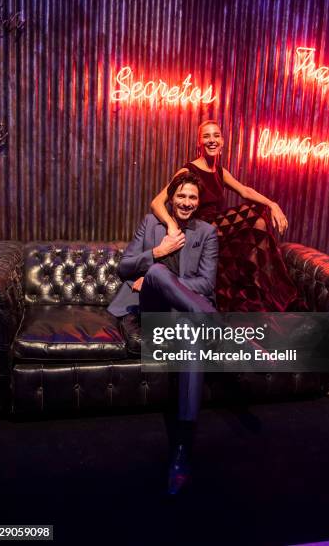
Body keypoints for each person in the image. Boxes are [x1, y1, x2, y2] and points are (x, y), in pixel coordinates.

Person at [108, 172, 218, 495]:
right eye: (181, 197)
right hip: (153, 311)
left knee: (191, 333)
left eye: (193, 198)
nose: (187, 203)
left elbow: (206, 283)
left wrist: (166, 283)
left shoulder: (207, 232)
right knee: (155, 270)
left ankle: (182, 451)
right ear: (171, 199)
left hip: (184, 314)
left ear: (198, 203)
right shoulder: (151, 224)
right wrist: (156, 255)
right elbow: (125, 267)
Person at [151, 120, 299, 312]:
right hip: (196, 229)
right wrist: (171, 225)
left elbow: (245, 191)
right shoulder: (189, 170)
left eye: (216, 135)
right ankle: (270, 289)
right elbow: (157, 202)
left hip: (215, 229)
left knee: (257, 225)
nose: (212, 140)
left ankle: (262, 290)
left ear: (222, 141)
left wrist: (272, 204)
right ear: (199, 143)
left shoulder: (220, 172)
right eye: (206, 136)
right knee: (254, 215)